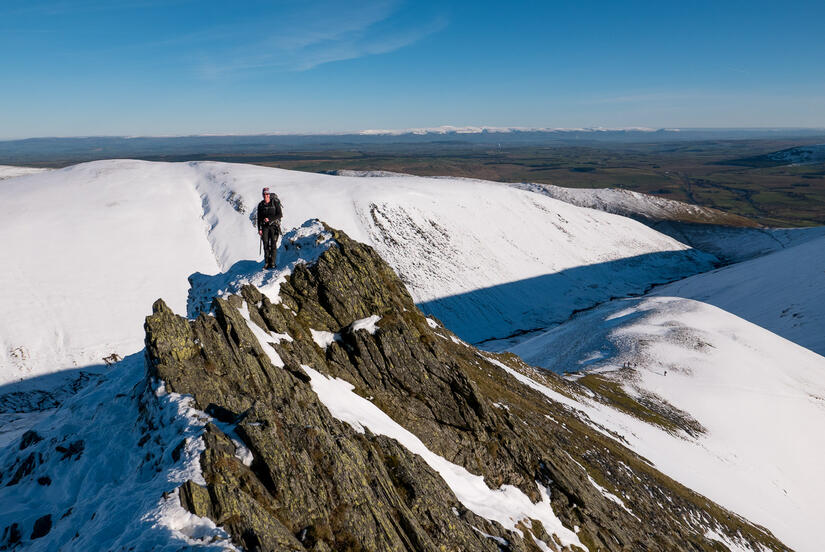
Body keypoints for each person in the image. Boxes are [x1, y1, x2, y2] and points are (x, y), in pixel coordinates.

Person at [257, 187, 282, 269]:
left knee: (273, 245)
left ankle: (273, 263)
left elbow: (280, 215)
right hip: (264, 227)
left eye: (267, 194)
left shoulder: (275, 202)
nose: (265, 196)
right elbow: (259, 218)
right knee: (266, 245)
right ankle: (267, 262)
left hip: (274, 226)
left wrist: (270, 219)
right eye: (264, 194)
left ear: (269, 194)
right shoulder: (260, 205)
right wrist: (259, 229)